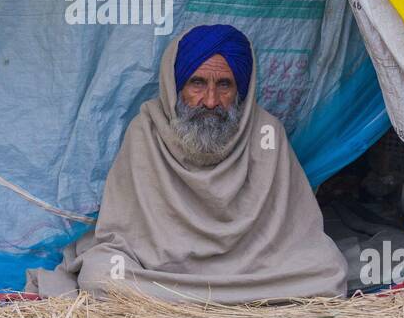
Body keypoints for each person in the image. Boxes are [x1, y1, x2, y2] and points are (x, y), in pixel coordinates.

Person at [26, 24, 348, 301]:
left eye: (224, 85)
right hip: (162, 272)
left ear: (242, 90)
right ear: (176, 85)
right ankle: (226, 302)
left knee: (327, 269)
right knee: (100, 276)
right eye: (197, 83)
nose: (210, 101)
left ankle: (191, 301)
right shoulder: (147, 130)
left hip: (252, 271)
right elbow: (120, 234)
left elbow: (297, 236)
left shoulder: (266, 133)